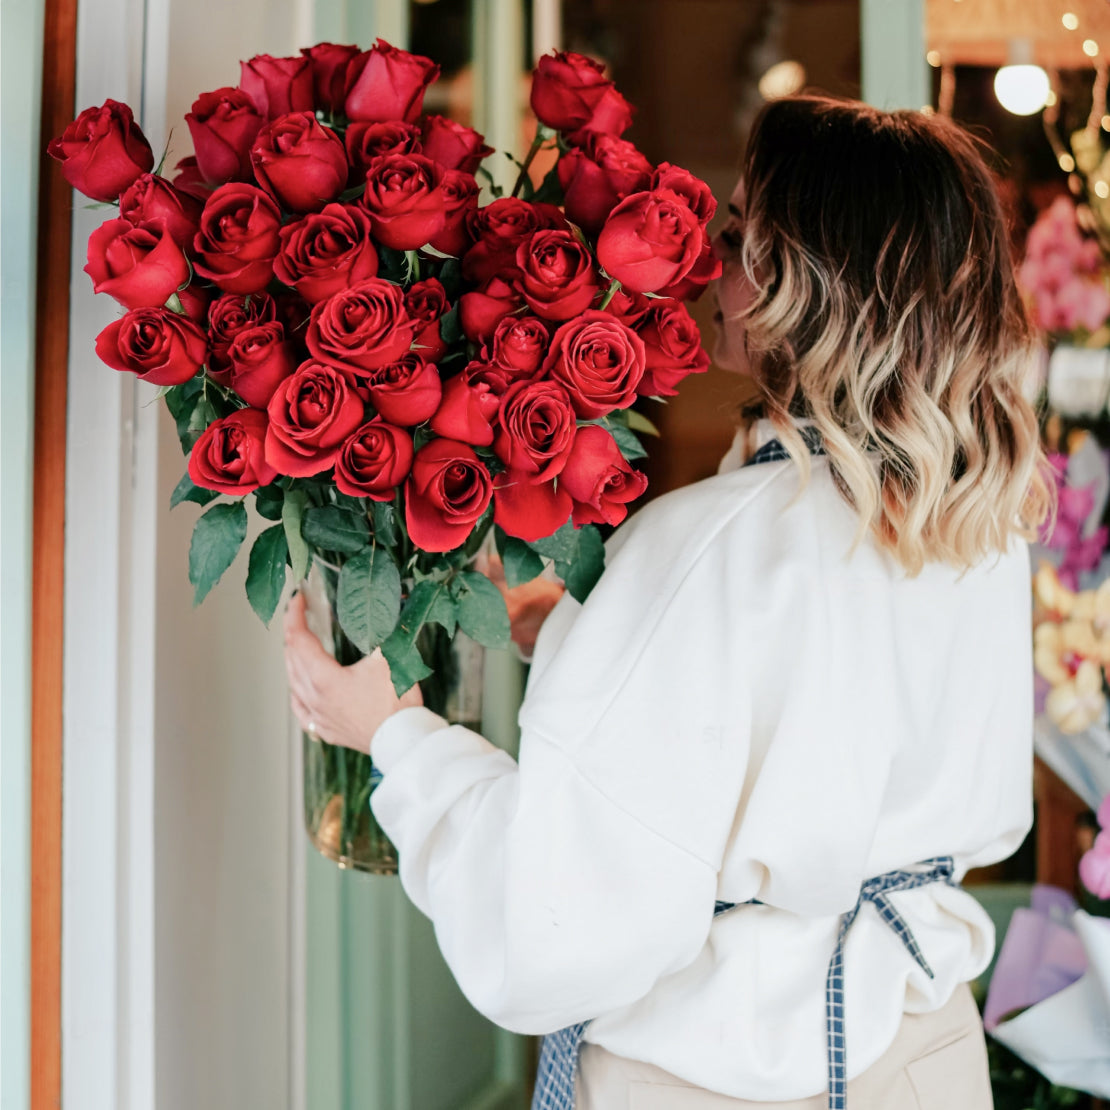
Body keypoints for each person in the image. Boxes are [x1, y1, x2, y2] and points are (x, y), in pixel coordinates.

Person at [283, 95, 1051, 1110]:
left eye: (740, 237)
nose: (707, 266)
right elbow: (824, 707)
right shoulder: (977, 519)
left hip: (729, 1072)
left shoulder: (705, 548)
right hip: (923, 1055)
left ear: (802, 287)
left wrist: (392, 737)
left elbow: (555, 930)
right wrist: (583, 632)